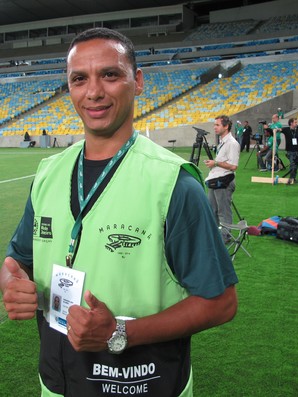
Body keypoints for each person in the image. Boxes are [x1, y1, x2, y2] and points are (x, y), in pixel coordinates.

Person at [0, 28, 238, 397]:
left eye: (110, 74)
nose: (93, 91)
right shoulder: (48, 172)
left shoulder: (173, 183)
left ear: (137, 81)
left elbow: (221, 303)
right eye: (79, 79)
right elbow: (18, 260)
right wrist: (12, 283)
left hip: (143, 383)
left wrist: (119, 333)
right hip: (56, 383)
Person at [204, 115, 240, 244]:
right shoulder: (223, 141)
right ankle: (214, 236)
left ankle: (225, 237)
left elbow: (234, 166)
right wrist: (214, 163)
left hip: (224, 182)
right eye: (214, 124)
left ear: (226, 126)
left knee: (223, 212)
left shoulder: (232, 143)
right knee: (211, 210)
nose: (214, 127)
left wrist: (216, 163)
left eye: (217, 125)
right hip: (216, 180)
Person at [281, 117, 298, 184]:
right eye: (295, 122)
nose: (296, 123)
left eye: (296, 122)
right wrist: (275, 130)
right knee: (292, 165)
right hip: (290, 151)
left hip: (297, 151)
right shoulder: (286, 130)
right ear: (291, 123)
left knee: (296, 165)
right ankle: (291, 179)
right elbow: (278, 130)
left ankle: (293, 178)